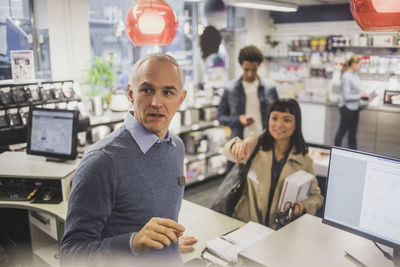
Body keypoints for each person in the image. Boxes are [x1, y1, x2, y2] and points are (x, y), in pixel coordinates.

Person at [61, 53, 196, 265]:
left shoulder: (176, 147)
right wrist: (133, 243)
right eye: (147, 90)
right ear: (131, 94)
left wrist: (167, 247)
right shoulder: (102, 161)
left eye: (168, 92)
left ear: (181, 98)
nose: (156, 102)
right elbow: (71, 255)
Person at [223, 98, 324, 230]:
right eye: (274, 118)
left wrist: (302, 206)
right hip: (247, 226)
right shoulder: (255, 144)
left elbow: (316, 197)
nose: (279, 125)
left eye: (287, 120)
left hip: (280, 233)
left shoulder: (304, 161)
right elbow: (228, 151)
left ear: (295, 125)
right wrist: (235, 147)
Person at [218, 45, 278, 141]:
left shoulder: (270, 88)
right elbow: (221, 118)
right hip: (239, 142)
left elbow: (277, 116)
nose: (250, 73)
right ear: (241, 66)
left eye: (253, 70)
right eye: (246, 69)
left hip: (265, 141)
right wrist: (238, 120)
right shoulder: (230, 89)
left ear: (259, 65)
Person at [334, 55, 367, 149]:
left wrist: (362, 93)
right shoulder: (346, 76)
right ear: (353, 64)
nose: (360, 67)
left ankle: (354, 155)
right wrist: (360, 96)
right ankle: (336, 151)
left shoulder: (355, 75)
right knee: (341, 133)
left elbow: (356, 89)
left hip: (355, 108)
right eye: (359, 64)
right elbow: (347, 96)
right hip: (347, 109)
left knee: (352, 135)